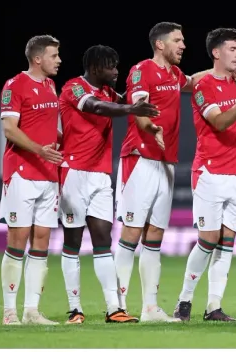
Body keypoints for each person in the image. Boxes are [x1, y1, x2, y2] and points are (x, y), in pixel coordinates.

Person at [58, 45, 159, 324]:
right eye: (110, 66)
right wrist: (130, 107)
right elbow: (96, 107)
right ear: (94, 68)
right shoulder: (74, 88)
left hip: (101, 177)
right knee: (73, 242)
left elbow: (124, 99)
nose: (116, 71)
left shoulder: (109, 93)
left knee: (103, 242)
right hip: (73, 173)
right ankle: (75, 308)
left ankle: (114, 308)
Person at [114, 22, 207, 322]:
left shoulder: (175, 74)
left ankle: (150, 308)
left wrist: (225, 72)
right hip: (139, 159)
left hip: (166, 162)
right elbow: (138, 108)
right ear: (160, 44)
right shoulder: (141, 70)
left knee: (154, 235)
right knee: (131, 232)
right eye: (178, 40)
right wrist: (151, 128)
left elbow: (193, 82)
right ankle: (118, 306)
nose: (183, 45)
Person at [173, 28, 236, 322]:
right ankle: (184, 300)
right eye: (232, 48)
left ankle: (213, 306)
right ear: (217, 52)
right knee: (208, 239)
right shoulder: (203, 86)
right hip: (210, 171)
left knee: (227, 242)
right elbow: (219, 122)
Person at [0, 35, 64, 325]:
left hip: (49, 176)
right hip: (22, 173)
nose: (58, 60)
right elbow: (9, 130)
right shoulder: (15, 85)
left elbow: (51, 128)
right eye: (54, 55)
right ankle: (9, 311)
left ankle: (31, 311)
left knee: (42, 241)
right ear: (38, 59)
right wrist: (39, 150)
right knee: (18, 239)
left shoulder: (51, 86)